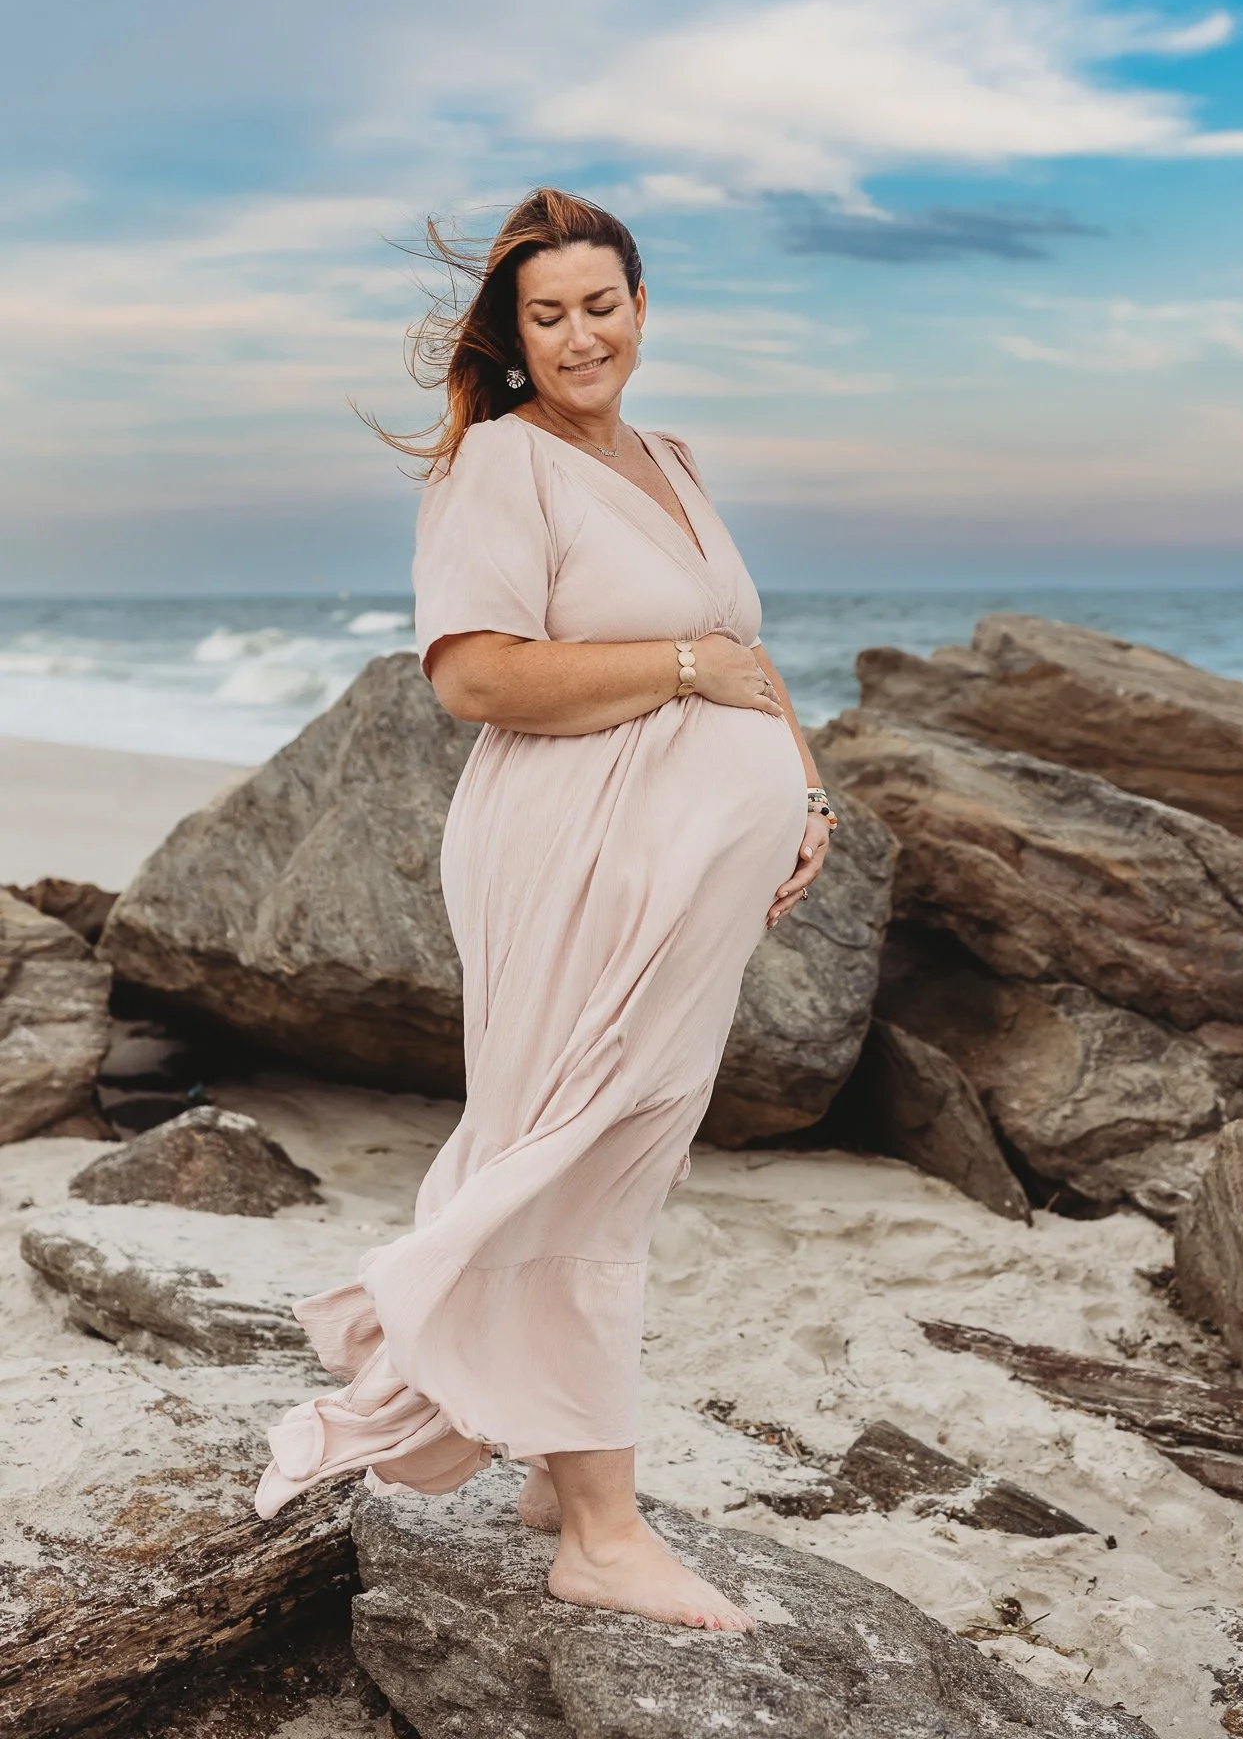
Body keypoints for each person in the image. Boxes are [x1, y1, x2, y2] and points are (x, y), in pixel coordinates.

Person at [253, 186, 837, 1633]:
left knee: (624, 1152)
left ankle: (540, 1456)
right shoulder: (497, 470)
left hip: (687, 867)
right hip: (571, 850)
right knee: (572, 1143)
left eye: (604, 303)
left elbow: (744, 655)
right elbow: (477, 677)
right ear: (513, 338)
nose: (584, 334)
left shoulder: (668, 458)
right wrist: (690, 676)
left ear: (642, 308)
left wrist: (805, 793)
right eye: (551, 314)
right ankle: (599, 1529)